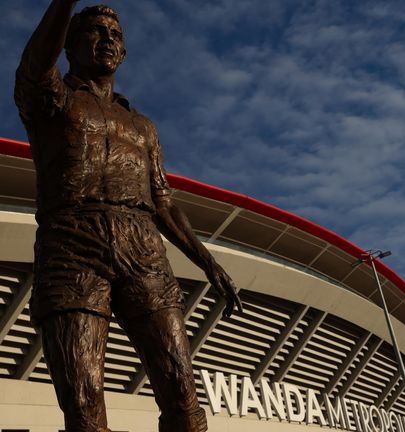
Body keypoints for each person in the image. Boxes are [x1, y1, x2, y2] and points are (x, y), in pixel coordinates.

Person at [14, 1, 242, 431]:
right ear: (69, 44)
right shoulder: (51, 100)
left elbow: (164, 202)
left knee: (181, 391)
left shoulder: (142, 126)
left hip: (143, 247)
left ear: (123, 54)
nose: (107, 41)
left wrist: (209, 264)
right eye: (96, 32)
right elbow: (34, 62)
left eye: (115, 36)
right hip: (72, 243)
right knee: (82, 402)